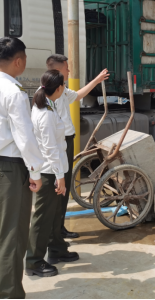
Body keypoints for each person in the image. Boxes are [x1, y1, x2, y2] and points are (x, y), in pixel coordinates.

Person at [0, 37, 45, 299]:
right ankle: (10, 294)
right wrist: (35, 172)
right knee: (12, 238)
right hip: (10, 171)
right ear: (19, 61)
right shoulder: (14, 92)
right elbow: (25, 136)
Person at [45, 55, 109, 244]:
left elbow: (78, 95)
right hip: (60, 142)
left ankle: (59, 227)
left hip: (66, 140)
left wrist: (97, 80)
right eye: (66, 68)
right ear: (57, 69)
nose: (69, 71)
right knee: (59, 186)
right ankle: (54, 232)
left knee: (63, 185)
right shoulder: (51, 95)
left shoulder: (62, 90)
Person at [26, 70, 79, 278]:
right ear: (57, 89)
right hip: (49, 172)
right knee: (42, 217)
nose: (65, 89)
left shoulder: (46, 104)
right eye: (63, 86)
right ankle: (33, 261)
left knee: (55, 214)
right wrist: (59, 177)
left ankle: (56, 249)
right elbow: (50, 149)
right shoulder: (46, 114)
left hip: (54, 169)